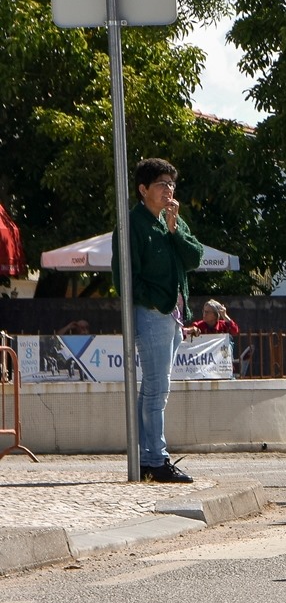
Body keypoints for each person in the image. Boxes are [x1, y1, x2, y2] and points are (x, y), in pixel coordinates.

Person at [114, 157, 204, 484]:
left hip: (173, 317)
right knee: (157, 389)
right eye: (161, 184)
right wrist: (154, 300)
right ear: (143, 189)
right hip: (152, 314)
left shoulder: (171, 220)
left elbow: (194, 258)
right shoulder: (132, 224)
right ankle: (156, 460)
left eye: (171, 184)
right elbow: (125, 278)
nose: (169, 190)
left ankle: (146, 458)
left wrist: (175, 228)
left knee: (152, 389)